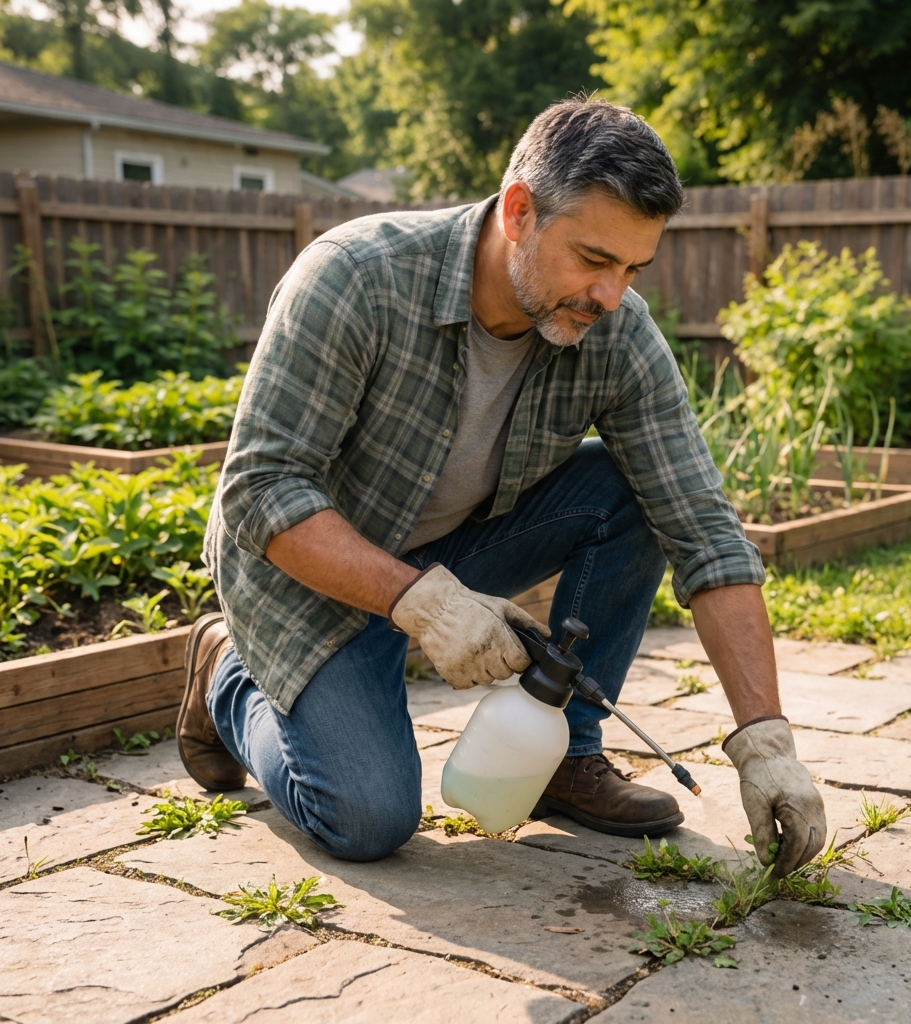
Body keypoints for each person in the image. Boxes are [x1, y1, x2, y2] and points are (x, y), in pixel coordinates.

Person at [177, 97, 826, 874]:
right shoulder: (357, 277)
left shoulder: (614, 333)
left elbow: (703, 527)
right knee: (367, 818)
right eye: (593, 259)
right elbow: (260, 490)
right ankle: (226, 673)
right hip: (304, 569)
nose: (611, 295)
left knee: (634, 492)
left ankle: (566, 755)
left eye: (632, 268)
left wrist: (765, 741)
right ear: (519, 212)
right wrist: (421, 602)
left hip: (448, 551)